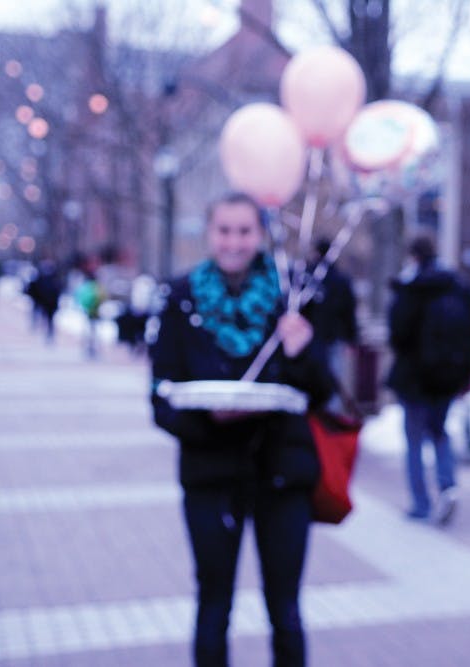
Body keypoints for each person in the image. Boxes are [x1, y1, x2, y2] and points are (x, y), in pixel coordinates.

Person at [150, 191, 333, 667]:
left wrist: (303, 352)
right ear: (209, 233)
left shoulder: (292, 296)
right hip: (210, 475)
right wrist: (209, 420)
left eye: (245, 231)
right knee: (213, 606)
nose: (234, 241)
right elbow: (161, 398)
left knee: (286, 610)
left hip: (281, 473)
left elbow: (321, 391)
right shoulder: (178, 297)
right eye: (224, 230)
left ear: (260, 235)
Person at [386, 235, 470, 525]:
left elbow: (397, 334)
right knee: (439, 432)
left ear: (413, 256)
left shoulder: (411, 289)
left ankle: (420, 502)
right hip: (448, 376)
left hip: (414, 378)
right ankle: (447, 485)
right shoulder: (459, 286)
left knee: (414, 439)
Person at [300, 237, 359, 405]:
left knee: (316, 381)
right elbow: (349, 313)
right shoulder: (340, 280)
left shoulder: (308, 278)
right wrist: (351, 339)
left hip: (313, 339)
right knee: (333, 381)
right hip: (331, 338)